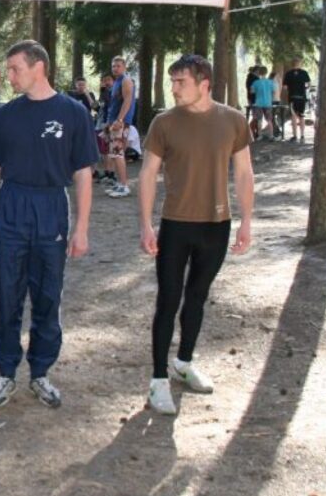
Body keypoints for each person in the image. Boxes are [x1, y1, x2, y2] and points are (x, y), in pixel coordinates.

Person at [0, 40, 96, 409]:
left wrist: (81, 227)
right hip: (12, 207)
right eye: (8, 70)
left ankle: (41, 372)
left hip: (50, 208)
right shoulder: (5, 116)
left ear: (38, 67)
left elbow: (83, 174)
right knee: (8, 294)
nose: (9, 76)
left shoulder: (73, 113)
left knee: (48, 295)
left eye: (15, 69)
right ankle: (6, 372)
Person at [138, 54, 253, 416]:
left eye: (180, 82)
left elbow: (245, 172)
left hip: (216, 226)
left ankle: (183, 363)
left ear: (204, 83)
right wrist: (145, 223)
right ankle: (158, 380)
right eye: (171, 81)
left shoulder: (233, 121)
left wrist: (247, 220)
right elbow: (147, 174)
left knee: (197, 298)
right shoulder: (164, 123)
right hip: (175, 225)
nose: (173, 89)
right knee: (168, 301)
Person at [104, 57, 136, 198]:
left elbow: (128, 100)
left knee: (118, 153)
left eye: (118, 66)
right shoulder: (116, 82)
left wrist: (120, 120)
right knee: (114, 154)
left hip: (120, 123)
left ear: (124, 67)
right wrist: (109, 122)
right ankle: (120, 183)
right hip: (113, 122)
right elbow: (114, 104)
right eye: (113, 66)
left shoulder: (126, 80)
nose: (115, 68)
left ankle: (124, 186)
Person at [282, 59, 312, 142]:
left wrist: (290, 89)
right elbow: (309, 84)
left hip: (292, 97)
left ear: (292, 64)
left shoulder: (288, 74)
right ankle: (302, 136)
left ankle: (295, 136)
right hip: (302, 97)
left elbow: (284, 87)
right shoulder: (304, 73)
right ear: (300, 64)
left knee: (293, 116)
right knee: (301, 116)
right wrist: (304, 88)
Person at [249, 66, 276, 141]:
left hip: (258, 103)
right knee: (269, 120)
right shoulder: (270, 82)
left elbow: (252, 92)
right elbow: (274, 91)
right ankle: (271, 135)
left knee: (259, 120)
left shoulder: (256, 82)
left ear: (259, 73)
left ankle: (260, 136)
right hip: (268, 103)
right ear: (266, 72)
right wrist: (271, 99)